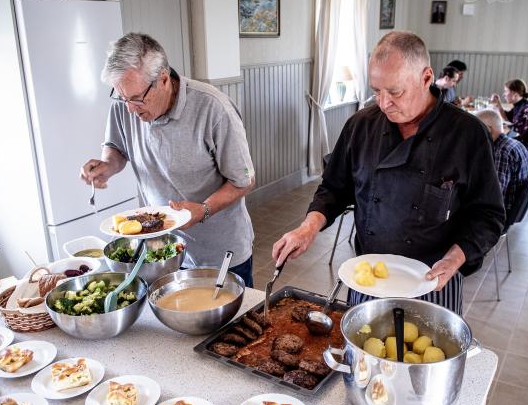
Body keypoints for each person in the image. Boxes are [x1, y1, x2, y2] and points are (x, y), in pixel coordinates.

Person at [272, 32, 505, 315]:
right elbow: (333, 189)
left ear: (426, 77)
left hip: (434, 282)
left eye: (395, 92)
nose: (383, 104)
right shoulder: (360, 126)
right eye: (376, 91)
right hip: (368, 277)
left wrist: (454, 259)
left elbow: (488, 215)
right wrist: (307, 229)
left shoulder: (467, 134)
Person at [80, 33, 257, 286]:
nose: (130, 108)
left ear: (163, 79)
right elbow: (117, 148)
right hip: (163, 250)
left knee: (233, 325)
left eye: (137, 98)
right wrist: (107, 165)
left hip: (221, 253)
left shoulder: (214, 108)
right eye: (122, 97)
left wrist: (203, 210)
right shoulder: (125, 104)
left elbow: (244, 180)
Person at [476, 109, 528, 215]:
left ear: (488, 130)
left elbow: (494, 196)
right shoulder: (513, 143)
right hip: (514, 205)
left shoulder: (501, 152)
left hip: (500, 213)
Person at [491, 79, 528, 156]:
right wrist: (498, 103)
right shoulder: (520, 104)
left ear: (515, 94)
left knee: (494, 143)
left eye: (506, 91)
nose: (504, 94)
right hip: (522, 140)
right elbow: (507, 117)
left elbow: (515, 134)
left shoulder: (526, 110)